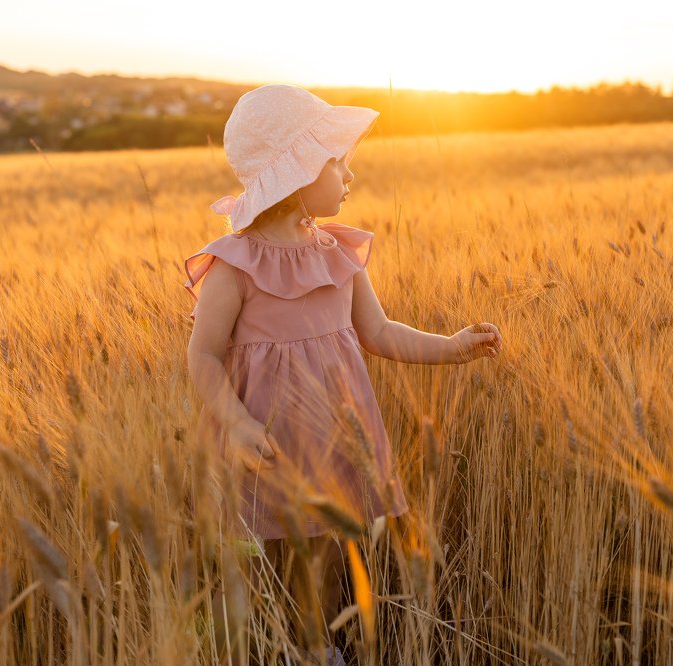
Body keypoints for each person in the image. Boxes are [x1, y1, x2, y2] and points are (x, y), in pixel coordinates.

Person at [183, 84, 502, 665]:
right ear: (300, 171)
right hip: (269, 442)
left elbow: (379, 334)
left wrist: (450, 347)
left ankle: (319, 650)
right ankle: (270, 648)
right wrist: (235, 423)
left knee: (329, 551)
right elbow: (202, 355)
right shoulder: (233, 265)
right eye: (338, 162)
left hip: (336, 437)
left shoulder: (338, 253)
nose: (350, 174)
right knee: (267, 559)